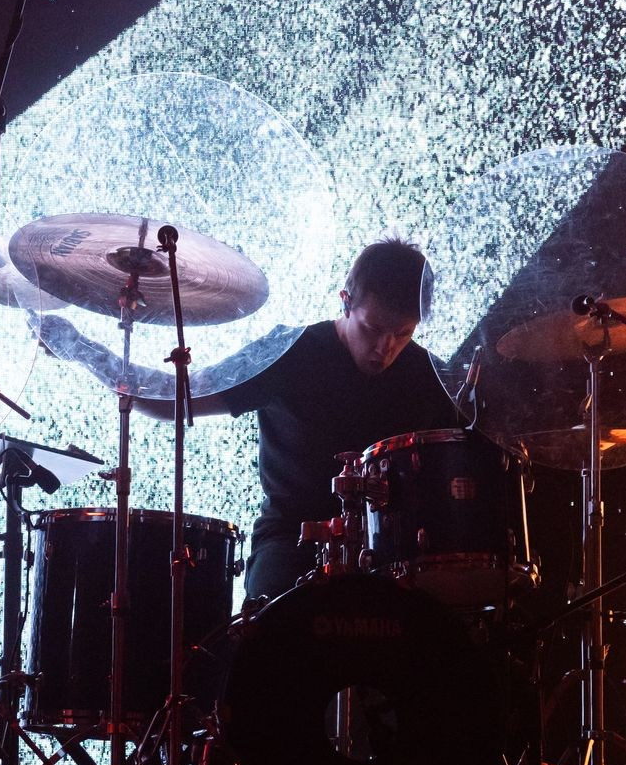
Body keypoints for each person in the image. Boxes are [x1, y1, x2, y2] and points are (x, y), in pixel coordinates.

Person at [40, 239, 462, 603]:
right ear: (345, 301)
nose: (385, 348)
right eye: (374, 329)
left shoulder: (429, 375)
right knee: (268, 645)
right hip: (291, 540)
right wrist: (81, 350)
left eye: (403, 333)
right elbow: (173, 399)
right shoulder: (289, 353)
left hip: (392, 553)